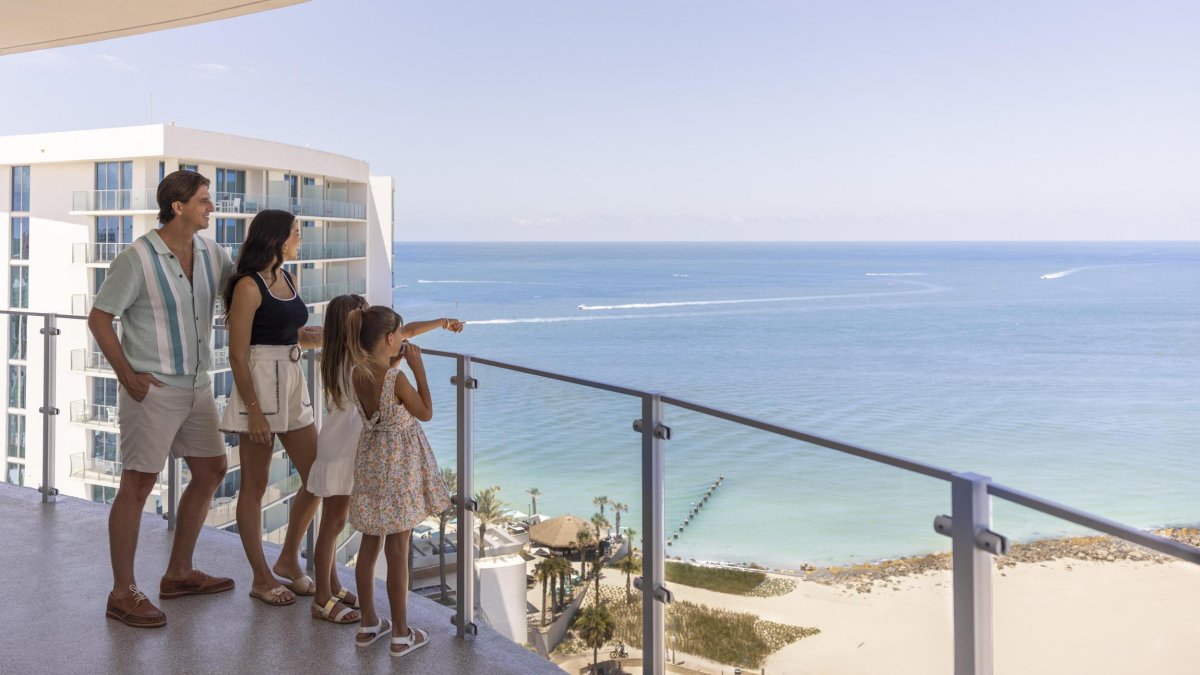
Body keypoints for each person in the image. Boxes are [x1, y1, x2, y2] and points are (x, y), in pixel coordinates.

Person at [89, 169, 236, 628]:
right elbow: (99, 319)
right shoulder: (138, 257)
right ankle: (121, 593)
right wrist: (127, 375)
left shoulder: (215, 254)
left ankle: (178, 573)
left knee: (212, 470)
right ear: (178, 206)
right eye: (204, 201)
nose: (211, 208)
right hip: (151, 390)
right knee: (137, 485)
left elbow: (247, 293)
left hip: (198, 385)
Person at [308, 294, 463, 624]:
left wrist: (440, 322)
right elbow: (419, 405)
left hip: (358, 449)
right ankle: (322, 597)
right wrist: (411, 366)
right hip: (352, 449)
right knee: (334, 523)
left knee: (347, 528)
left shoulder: (350, 359)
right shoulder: (352, 361)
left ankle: (333, 588)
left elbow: (403, 333)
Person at [219, 209, 323, 606]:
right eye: (297, 233)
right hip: (258, 386)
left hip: (293, 381)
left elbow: (290, 332)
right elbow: (237, 353)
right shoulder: (248, 285)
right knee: (255, 486)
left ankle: (287, 558)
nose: (300, 240)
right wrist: (254, 410)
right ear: (278, 238)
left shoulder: (288, 278)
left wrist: (337, 336)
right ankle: (261, 577)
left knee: (318, 476)